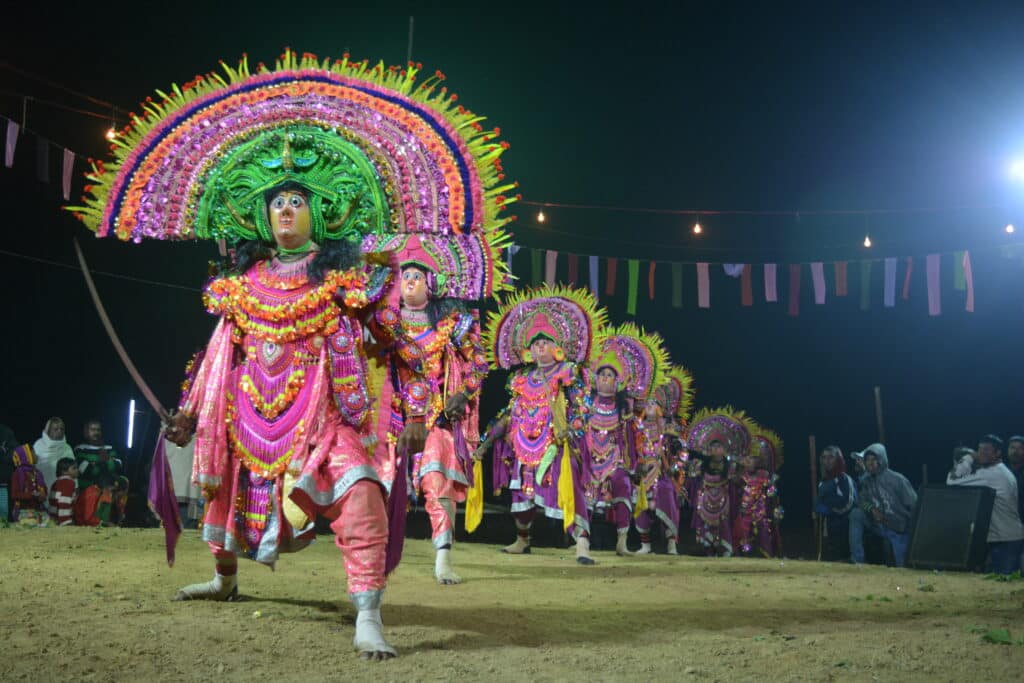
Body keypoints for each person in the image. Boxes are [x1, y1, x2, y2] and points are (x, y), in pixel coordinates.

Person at [73, 49, 516, 661]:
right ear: (262, 213)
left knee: (359, 490)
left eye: (296, 199)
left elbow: (396, 349)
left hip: (323, 417)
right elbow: (218, 354)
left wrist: (415, 413)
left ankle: (368, 613)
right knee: (224, 490)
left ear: (318, 212)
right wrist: (191, 412)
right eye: (275, 200)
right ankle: (225, 579)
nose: (285, 207)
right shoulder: (241, 284)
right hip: (246, 409)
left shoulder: (345, 280)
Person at [367, 237, 489, 585]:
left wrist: (463, 395)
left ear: (431, 283)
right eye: (404, 274)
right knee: (380, 486)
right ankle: (375, 556)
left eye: (417, 275)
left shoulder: (451, 321)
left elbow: (479, 363)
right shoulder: (383, 322)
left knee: (437, 483)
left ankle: (443, 559)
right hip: (389, 414)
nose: (409, 280)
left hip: (435, 414)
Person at [476, 286, 604, 565]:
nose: (540, 347)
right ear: (528, 350)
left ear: (557, 347)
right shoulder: (521, 378)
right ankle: (523, 539)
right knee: (520, 492)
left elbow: (582, 404)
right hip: (523, 446)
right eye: (535, 344)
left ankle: (582, 543)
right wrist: (487, 440)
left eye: (545, 342)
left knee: (569, 488)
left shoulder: (569, 373)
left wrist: (574, 427)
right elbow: (509, 411)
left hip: (556, 445)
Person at [581, 324, 667, 556]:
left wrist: (634, 461)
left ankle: (622, 542)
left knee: (623, 486)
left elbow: (633, 436)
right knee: (584, 493)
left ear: (618, 381)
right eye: (602, 374)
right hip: (590, 458)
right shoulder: (585, 404)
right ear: (595, 378)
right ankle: (581, 542)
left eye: (611, 375)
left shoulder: (625, 407)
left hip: (615, 459)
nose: (606, 378)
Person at [947, 435, 1024, 575]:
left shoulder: (993, 474)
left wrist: (968, 457)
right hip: (1004, 537)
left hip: (1006, 540)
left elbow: (952, 482)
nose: (981, 453)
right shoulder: (996, 470)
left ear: (998, 453)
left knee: (1004, 587)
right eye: (980, 449)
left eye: (987, 450)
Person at [684, 408, 753, 558]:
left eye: (719, 447)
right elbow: (691, 476)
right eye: (713, 447)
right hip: (706, 498)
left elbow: (737, 481)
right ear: (708, 449)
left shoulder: (731, 466)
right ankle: (709, 550)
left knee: (724, 524)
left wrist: (742, 469)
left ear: (724, 449)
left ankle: (726, 549)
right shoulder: (701, 465)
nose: (716, 449)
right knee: (706, 525)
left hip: (723, 499)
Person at [849, 443, 917, 567]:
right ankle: (858, 560)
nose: (870, 463)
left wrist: (912, 532)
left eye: (874, 459)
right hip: (879, 525)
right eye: (867, 460)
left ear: (882, 459)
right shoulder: (866, 481)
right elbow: (862, 502)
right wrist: (873, 509)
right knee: (856, 514)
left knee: (902, 567)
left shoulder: (897, 480)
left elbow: (914, 506)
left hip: (899, 529)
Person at [635, 398, 682, 555]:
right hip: (644, 475)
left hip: (662, 475)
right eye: (647, 403)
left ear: (659, 409)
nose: (649, 405)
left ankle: (671, 544)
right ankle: (645, 545)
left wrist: (673, 467)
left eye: (653, 403)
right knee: (640, 502)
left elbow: (681, 451)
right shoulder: (638, 428)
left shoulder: (667, 428)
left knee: (668, 494)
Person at [732, 429, 783, 558]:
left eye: (752, 458)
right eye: (746, 458)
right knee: (743, 533)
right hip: (743, 510)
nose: (748, 461)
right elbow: (734, 484)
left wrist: (773, 503)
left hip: (760, 511)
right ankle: (742, 555)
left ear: (758, 460)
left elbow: (772, 494)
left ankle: (766, 554)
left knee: (764, 531)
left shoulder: (764, 475)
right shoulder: (740, 474)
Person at [73, 420, 128, 526]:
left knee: (124, 481)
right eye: (92, 429)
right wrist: (106, 461)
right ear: (86, 432)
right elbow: (86, 470)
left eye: (98, 430)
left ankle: (118, 518)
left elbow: (118, 465)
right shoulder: (80, 448)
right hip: (89, 486)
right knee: (103, 488)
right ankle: (100, 521)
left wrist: (96, 463)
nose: (96, 432)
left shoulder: (109, 447)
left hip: (108, 482)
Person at [815, 445, 857, 562]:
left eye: (831, 457)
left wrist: (831, 508)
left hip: (846, 526)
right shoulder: (823, 482)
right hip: (830, 526)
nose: (827, 461)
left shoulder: (844, 479)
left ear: (838, 459)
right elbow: (820, 501)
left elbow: (850, 502)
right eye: (824, 457)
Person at [10, 444, 49, 526]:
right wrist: (32, 495)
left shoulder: (37, 473)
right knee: (32, 522)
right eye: (33, 452)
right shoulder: (17, 474)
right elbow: (14, 495)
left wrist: (43, 494)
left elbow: (44, 490)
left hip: (38, 510)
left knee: (49, 522)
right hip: (23, 511)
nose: (36, 455)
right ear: (27, 455)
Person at [33, 417, 74, 491]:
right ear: (48, 430)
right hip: (41, 490)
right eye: (56, 429)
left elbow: (73, 471)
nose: (59, 431)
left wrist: (75, 487)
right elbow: (32, 469)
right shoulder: (38, 445)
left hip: (63, 492)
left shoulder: (67, 448)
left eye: (62, 429)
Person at [48, 457, 78, 526]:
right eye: (74, 468)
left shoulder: (57, 482)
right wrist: (66, 521)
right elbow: (64, 502)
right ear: (64, 471)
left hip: (54, 519)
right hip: (61, 520)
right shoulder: (68, 482)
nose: (77, 470)